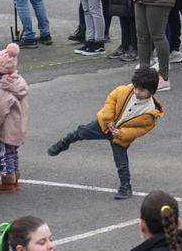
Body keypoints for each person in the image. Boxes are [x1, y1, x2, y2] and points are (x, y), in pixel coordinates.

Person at [47, 66, 162, 201]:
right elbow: (110, 102)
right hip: (104, 125)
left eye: (141, 90)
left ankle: (125, 186)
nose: (136, 92)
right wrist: (108, 120)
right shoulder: (123, 91)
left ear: (152, 91)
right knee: (81, 132)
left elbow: (141, 129)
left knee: (121, 162)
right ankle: (64, 143)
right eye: (136, 88)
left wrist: (122, 133)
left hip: (119, 136)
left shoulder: (151, 112)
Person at [0, 42, 29, 196]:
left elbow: (0, 111)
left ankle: (8, 181)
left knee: (6, 154)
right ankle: (15, 176)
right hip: (19, 125)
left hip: (8, 127)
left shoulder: (4, 88)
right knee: (13, 152)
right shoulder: (19, 82)